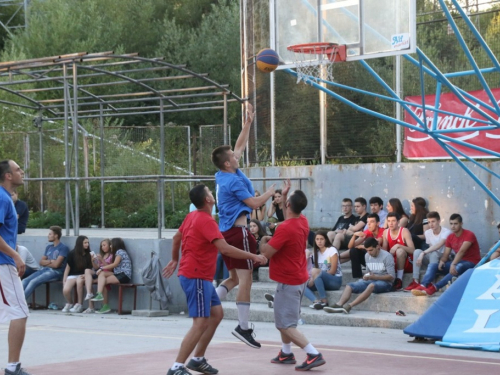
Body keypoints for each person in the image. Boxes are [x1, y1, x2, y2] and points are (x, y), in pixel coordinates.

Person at [162, 184, 267, 375]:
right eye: (210, 192)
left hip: (196, 275)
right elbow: (225, 248)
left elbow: (177, 237)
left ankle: (197, 359)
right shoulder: (206, 221)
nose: (213, 193)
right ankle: (176, 367)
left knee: (216, 314)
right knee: (200, 322)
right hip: (196, 276)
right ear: (208, 200)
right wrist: (253, 256)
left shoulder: (192, 216)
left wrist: (175, 259)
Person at [211, 102, 275, 348]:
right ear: (228, 163)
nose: (236, 156)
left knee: (234, 280)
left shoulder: (223, 174)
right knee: (246, 282)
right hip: (240, 233)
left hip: (227, 233)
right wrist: (270, 193)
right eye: (233, 158)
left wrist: (247, 122)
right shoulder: (233, 183)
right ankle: (243, 327)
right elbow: (254, 201)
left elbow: (239, 146)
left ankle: (209, 303)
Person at [260, 181, 326, 371]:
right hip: (298, 277)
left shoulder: (285, 228)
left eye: (286, 199)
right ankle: (286, 353)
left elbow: (266, 253)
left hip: (288, 281)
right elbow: (290, 212)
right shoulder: (302, 221)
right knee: (286, 319)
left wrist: (264, 239)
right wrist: (285, 198)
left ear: (288, 205)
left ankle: (313, 353)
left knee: (285, 325)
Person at [0, 159, 32, 375]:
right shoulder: (2, 198)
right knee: (20, 312)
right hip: (4, 264)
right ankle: (13, 367)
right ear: (8, 175)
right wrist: (16, 256)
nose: (22, 172)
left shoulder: (5, 198)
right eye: (18, 169)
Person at [412, 213, 481, 296]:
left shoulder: (469, 234)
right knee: (434, 265)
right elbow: (446, 254)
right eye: (451, 224)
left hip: (472, 263)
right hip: (458, 262)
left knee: (458, 266)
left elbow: (461, 252)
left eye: (456, 224)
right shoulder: (450, 237)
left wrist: (453, 264)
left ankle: (435, 287)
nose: (453, 226)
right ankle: (423, 285)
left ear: (461, 224)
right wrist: (442, 261)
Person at [324, 237, 395, 314]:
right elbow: (369, 272)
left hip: (386, 283)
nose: (369, 253)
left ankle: (350, 306)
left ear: (377, 247)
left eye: (371, 250)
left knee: (371, 285)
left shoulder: (387, 256)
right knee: (349, 285)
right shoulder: (367, 256)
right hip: (372, 279)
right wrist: (366, 276)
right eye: (367, 250)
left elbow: (391, 277)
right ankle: (339, 304)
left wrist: (374, 277)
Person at [404, 211, 451, 292]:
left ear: (439, 221)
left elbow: (438, 245)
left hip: (444, 259)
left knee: (433, 253)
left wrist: (424, 253)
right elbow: (430, 247)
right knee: (417, 251)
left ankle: (430, 282)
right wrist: (422, 253)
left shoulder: (446, 232)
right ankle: (415, 280)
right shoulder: (427, 232)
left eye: (433, 221)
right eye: (429, 222)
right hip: (433, 258)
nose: (431, 224)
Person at [22, 225, 70, 299]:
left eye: (50, 234)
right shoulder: (49, 247)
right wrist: (51, 261)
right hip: (44, 270)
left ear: (56, 236)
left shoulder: (63, 248)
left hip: (56, 273)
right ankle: (14, 302)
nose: (48, 236)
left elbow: (57, 265)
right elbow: (41, 262)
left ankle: (21, 304)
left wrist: (47, 262)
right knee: (25, 280)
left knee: (33, 282)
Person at [91, 237, 132, 314]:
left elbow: (115, 264)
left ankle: (103, 302)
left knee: (103, 281)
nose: (110, 246)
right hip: (118, 273)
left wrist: (102, 268)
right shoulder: (118, 252)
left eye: (111, 245)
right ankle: (100, 297)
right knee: (102, 278)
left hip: (124, 275)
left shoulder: (120, 252)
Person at [304, 231, 342, 310]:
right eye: (317, 239)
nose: (319, 241)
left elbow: (333, 271)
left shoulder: (332, 250)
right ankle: (316, 301)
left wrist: (315, 276)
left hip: (335, 281)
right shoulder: (316, 253)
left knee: (316, 273)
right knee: (300, 284)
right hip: (320, 281)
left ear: (326, 240)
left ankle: (324, 301)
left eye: (321, 239)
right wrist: (312, 279)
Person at [344, 213, 385, 279]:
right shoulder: (368, 232)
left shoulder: (383, 231)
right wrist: (354, 235)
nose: (368, 224)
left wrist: (362, 246)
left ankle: (339, 257)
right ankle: (357, 277)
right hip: (371, 259)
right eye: (367, 222)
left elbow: (376, 244)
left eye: (371, 222)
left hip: (381, 261)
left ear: (378, 223)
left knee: (363, 249)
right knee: (353, 250)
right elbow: (350, 246)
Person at [382, 212, 415, 291]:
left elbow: (413, 250)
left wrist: (399, 245)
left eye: (393, 221)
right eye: (389, 221)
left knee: (400, 251)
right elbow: (384, 250)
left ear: (398, 222)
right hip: (393, 262)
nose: (391, 223)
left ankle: (399, 279)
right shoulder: (386, 232)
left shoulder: (404, 231)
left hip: (406, 262)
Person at [61, 235, 93, 313]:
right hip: (72, 275)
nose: (87, 244)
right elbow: (67, 268)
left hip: (83, 275)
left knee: (79, 282)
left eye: (87, 242)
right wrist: (64, 279)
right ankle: (70, 303)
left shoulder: (88, 254)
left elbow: (90, 269)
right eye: (85, 242)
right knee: (66, 290)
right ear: (79, 243)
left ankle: (79, 304)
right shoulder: (72, 253)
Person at [83, 238, 113, 313]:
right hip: (100, 273)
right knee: (87, 270)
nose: (102, 247)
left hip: (107, 273)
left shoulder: (112, 255)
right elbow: (97, 267)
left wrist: (102, 260)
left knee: (102, 282)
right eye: (101, 246)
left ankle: (104, 305)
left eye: (104, 245)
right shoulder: (102, 255)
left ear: (109, 246)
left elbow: (110, 268)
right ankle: (89, 293)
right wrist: (92, 261)